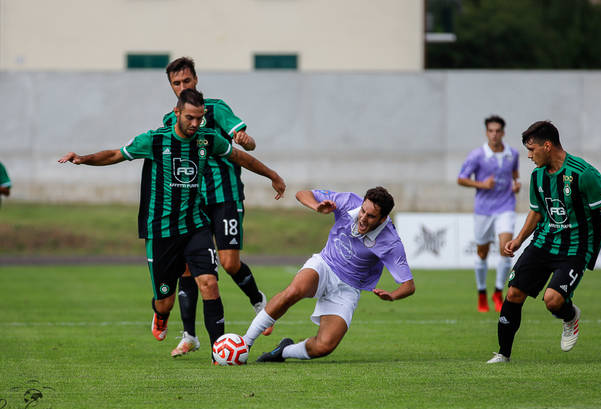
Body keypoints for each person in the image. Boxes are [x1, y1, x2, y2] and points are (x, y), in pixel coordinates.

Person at [58, 89, 286, 359]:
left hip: (195, 226)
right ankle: (160, 315)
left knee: (209, 284)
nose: (195, 124)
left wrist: (272, 174)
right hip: (162, 231)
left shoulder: (207, 139)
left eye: (199, 119)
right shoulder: (154, 140)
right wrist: (83, 158)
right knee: (164, 300)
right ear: (177, 113)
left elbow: (239, 157)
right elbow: (115, 155)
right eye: (190, 117)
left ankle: (219, 353)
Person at [162, 57, 273, 358]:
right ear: (171, 86)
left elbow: (243, 143)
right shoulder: (168, 120)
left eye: (187, 81)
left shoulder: (215, 109)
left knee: (229, 264)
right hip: (192, 204)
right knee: (189, 268)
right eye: (177, 83)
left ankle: (258, 299)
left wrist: (244, 140)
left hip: (225, 197)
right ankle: (189, 336)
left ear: (196, 80)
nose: (182, 86)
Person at [242, 187, 415, 362]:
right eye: (363, 210)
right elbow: (302, 193)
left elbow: (409, 286)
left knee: (324, 346)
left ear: (383, 219)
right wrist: (316, 206)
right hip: (324, 265)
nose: (363, 217)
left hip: (349, 288)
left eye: (371, 216)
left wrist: (392, 296)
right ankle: (244, 344)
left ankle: (283, 351)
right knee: (295, 291)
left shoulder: (391, 242)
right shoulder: (348, 201)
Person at [487, 120, 601, 364]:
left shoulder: (583, 174)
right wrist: (519, 239)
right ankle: (503, 354)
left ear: (547, 145)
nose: (530, 156)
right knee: (513, 293)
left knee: (552, 300)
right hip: (544, 241)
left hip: (577, 246)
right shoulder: (537, 176)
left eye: (532, 150)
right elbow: (536, 211)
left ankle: (569, 315)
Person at [458, 115, 521, 312]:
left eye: (497, 131)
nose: (494, 134)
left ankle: (498, 292)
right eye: (490, 131)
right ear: (487, 132)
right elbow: (461, 178)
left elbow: (515, 176)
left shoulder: (513, 154)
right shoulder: (477, 155)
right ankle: (482, 293)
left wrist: (517, 185)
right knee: (482, 253)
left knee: (506, 248)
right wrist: (481, 184)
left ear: (503, 132)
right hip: (483, 210)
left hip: (505, 207)